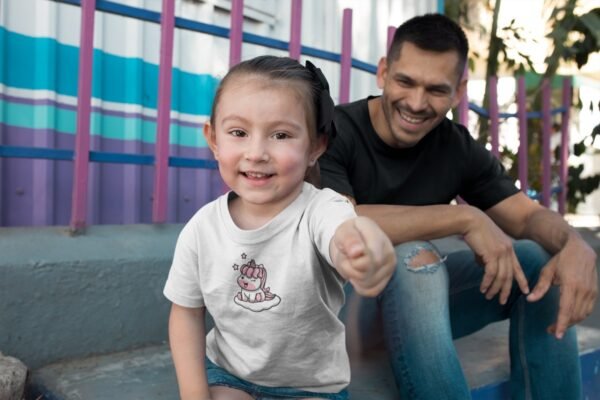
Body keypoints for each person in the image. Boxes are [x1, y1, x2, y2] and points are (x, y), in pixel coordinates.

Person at [318, 13, 598, 400]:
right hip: (334, 312)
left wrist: (574, 245)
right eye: (405, 82)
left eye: (436, 90)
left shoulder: (456, 147)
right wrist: (464, 217)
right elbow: (341, 220)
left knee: (538, 262)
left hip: (411, 316)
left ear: (459, 91)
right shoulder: (335, 131)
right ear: (383, 73)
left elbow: (527, 216)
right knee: (415, 258)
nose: (416, 103)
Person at [163, 55, 396, 400]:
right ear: (213, 139)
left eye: (281, 135)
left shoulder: (321, 209)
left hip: (312, 387)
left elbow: (342, 233)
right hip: (229, 375)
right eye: (239, 132)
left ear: (315, 147)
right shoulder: (201, 228)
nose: (256, 153)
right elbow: (186, 313)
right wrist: (194, 394)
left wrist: (361, 245)